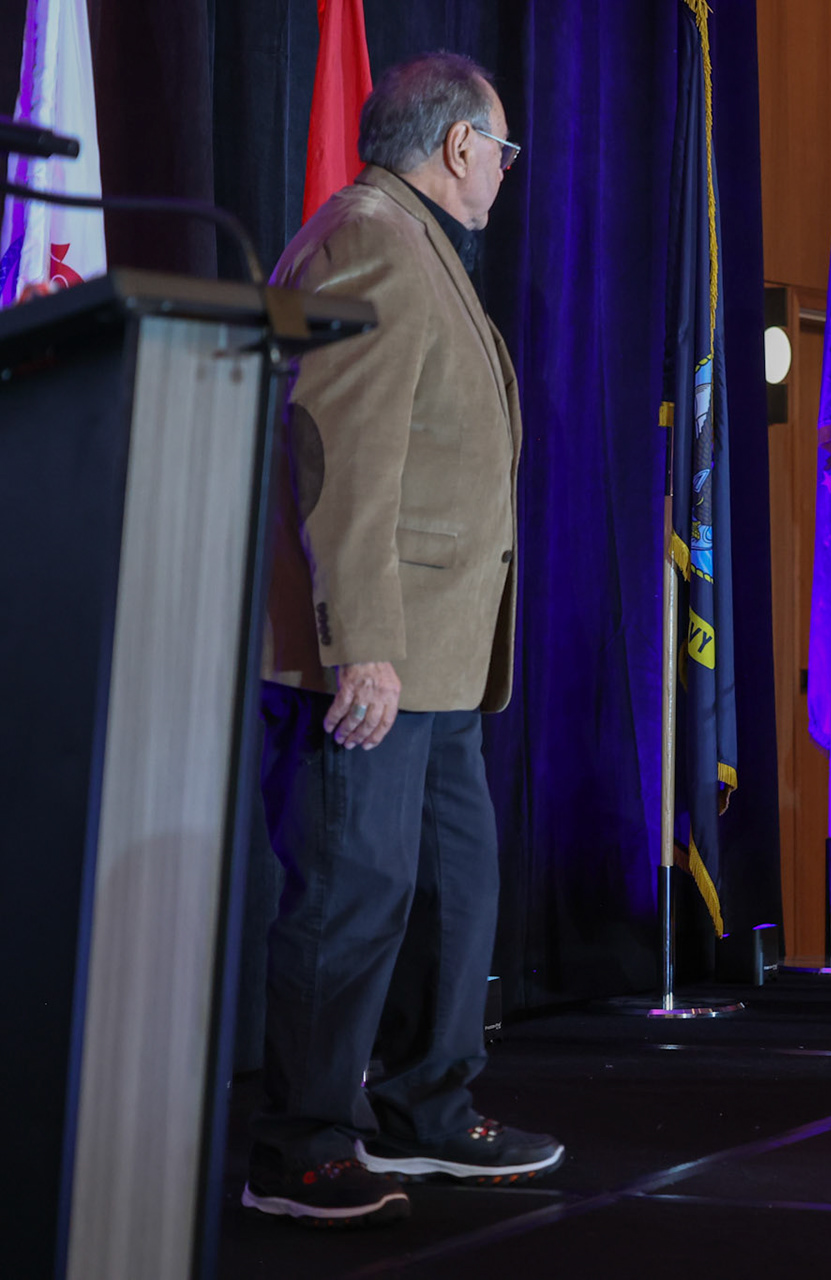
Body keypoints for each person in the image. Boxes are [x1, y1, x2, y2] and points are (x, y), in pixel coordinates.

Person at [243, 52, 560, 1228]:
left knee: (451, 887)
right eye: (504, 149)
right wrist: (358, 641)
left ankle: (427, 1109)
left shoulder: (421, 240)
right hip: (377, 654)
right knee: (352, 892)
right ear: (462, 143)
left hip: (443, 656)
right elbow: (341, 455)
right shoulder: (370, 234)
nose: (507, 173)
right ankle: (299, 1145)